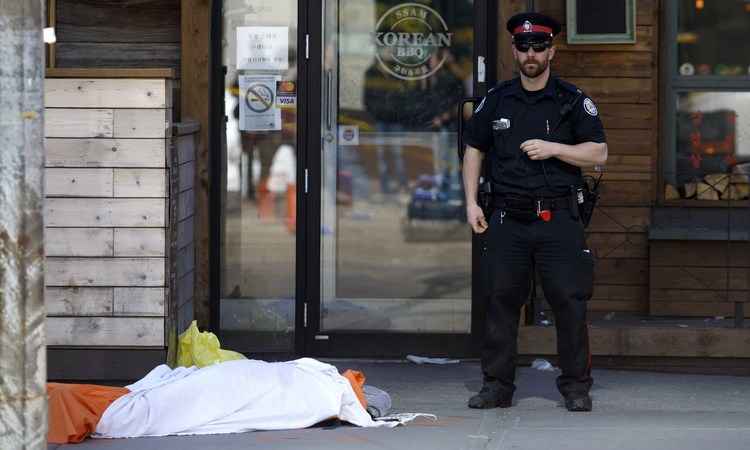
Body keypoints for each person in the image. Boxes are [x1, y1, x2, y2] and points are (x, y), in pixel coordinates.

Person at [461, 12, 608, 412]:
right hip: (507, 218)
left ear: (551, 51)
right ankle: (496, 386)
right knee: (500, 303)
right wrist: (472, 201)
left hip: (558, 219)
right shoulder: (497, 99)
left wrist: (554, 148)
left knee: (569, 303)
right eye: (523, 47)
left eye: (539, 47)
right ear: (514, 51)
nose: (531, 53)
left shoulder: (571, 100)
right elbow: (474, 148)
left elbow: (599, 152)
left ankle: (576, 387)